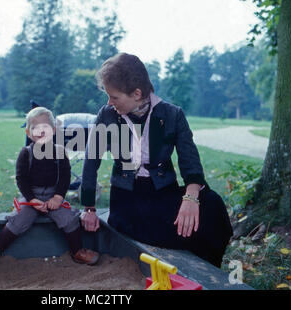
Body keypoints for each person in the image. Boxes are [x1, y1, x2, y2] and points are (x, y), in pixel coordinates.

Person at [79, 53, 233, 268]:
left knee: (212, 206)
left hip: (163, 194)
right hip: (127, 201)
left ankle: (209, 270)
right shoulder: (107, 115)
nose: (109, 102)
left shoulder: (172, 115)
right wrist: (89, 208)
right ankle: (186, 260)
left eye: (114, 97)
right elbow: (91, 160)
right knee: (182, 229)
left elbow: (190, 161)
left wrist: (191, 197)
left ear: (137, 93)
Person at [0, 107, 99, 269]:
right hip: (31, 195)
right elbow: (22, 179)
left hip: (53, 195)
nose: (41, 131)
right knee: (19, 220)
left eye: (45, 127)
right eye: (35, 128)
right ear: (28, 132)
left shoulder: (60, 152)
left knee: (68, 218)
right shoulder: (25, 153)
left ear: (54, 130)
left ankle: (77, 251)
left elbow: (64, 178)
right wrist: (32, 199)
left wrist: (58, 197)